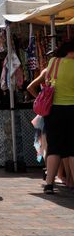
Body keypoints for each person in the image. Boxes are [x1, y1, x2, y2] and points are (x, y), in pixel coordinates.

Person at [28, 39, 74, 194]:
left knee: (54, 148)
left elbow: (43, 83)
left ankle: (49, 185)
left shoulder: (53, 62)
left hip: (54, 110)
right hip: (73, 109)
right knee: (72, 149)